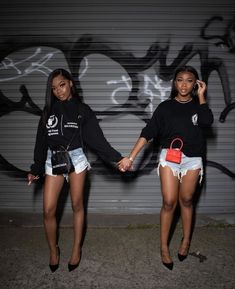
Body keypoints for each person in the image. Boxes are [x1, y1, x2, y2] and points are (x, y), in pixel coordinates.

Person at [27, 68, 123, 272]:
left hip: (76, 159)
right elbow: (40, 143)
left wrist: (118, 159)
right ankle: (54, 250)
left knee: (77, 205)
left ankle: (76, 248)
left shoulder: (83, 110)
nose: (59, 91)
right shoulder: (47, 112)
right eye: (54, 88)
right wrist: (36, 168)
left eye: (62, 85)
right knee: (48, 210)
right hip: (53, 160)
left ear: (70, 83)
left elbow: (98, 141)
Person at [118, 65, 213, 270]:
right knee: (169, 202)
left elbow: (207, 122)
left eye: (189, 80)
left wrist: (202, 96)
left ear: (196, 84)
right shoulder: (165, 107)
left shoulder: (199, 107)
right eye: (180, 79)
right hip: (169, 158)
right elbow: (148, 131)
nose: (184, 84)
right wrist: (130, 157)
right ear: (174, 82)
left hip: (192, 159)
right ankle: (163, 247)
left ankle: (186, 240)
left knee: (186, 200)